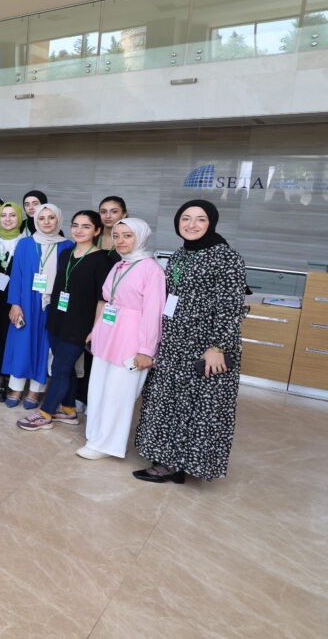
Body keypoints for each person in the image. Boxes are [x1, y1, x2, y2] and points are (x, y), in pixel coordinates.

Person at [133, 200, 247, 483]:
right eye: (186, 218)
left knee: (196, 407)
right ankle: (167, 461)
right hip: (174, 343)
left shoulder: (226, 257)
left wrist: (217, 347)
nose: (191, 225)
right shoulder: (180, 255)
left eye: (200, 219)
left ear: (212, 223)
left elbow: (230, 307)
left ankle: (178, 465)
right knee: (169, 402)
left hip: (204, 346)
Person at [17, 210, 115, 431]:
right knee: (67, 369)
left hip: (80, 324)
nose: (79, 230)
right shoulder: (66, 254)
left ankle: (45, 413)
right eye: (76, 225)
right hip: (57, 319)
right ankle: (69, 410)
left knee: (60, 368)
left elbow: (103, 300)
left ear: (97, 230)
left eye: (86, 226)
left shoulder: (102, 260)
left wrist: (94, 329)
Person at [77, 218, 165, 460]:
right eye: (116, 236)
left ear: (141, 237)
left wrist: (146, 349)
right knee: (98, 390)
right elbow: (109, 301)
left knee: (119, 395)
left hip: (131, 341)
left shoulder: (151, 269)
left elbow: (153, 313)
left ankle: (107, 445)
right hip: (108, 336)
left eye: (128, 235)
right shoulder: (118, 265)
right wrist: (96, 330)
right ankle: (95, 436)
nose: (120, 241)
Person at [1, 204, 73, 409]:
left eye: (51, 218)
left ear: (58, 220)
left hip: (51, 305)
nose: (47, 222)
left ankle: (35, 391)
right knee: (21, 345)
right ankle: (16, 388)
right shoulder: (25, 244)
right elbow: (17, 276)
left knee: (44, 348)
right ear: (35, 221)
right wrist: (15, 304)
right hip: (26, 302)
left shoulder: (67, 246)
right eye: (42, 218)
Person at [0, 202, 25, 400]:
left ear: (19, 218)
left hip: (13, 298)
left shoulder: (26, 242)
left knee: (6, 337)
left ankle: (2, 379)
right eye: (4, 215)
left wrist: (17, 302)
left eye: (13, 215)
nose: (8, 219)